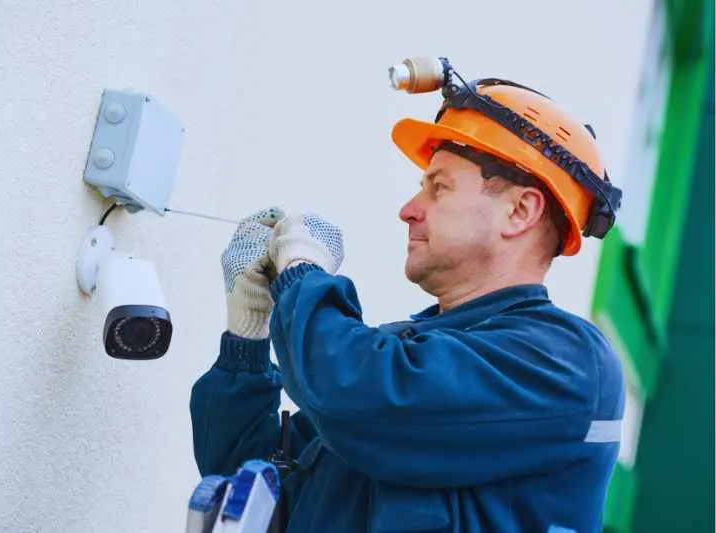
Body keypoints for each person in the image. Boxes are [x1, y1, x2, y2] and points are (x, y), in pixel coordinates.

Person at [190, 76, 625, 532]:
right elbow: (247, 468)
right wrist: (249, 332)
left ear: (519, 212)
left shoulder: (566, 362)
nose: (409, 209)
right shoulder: (408, 359)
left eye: (438, 187)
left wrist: (302, 273)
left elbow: (355, 396)